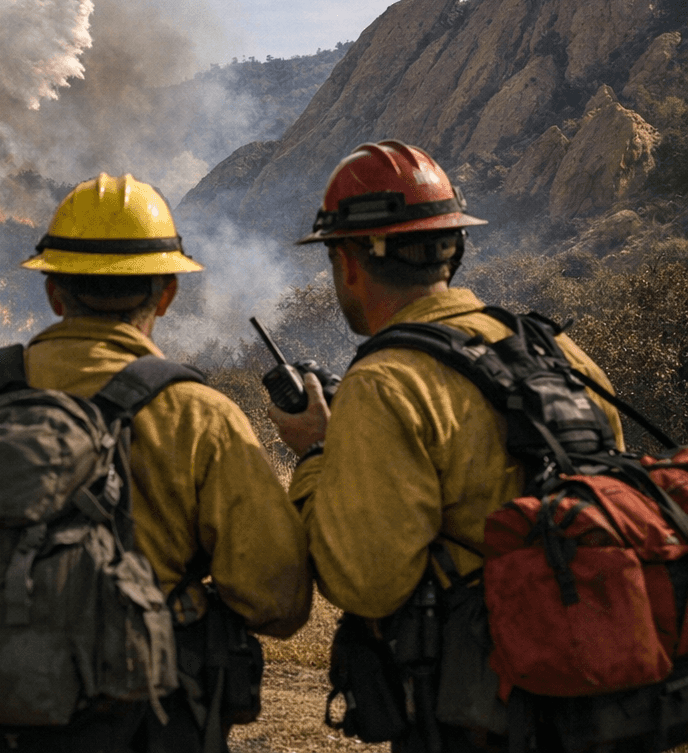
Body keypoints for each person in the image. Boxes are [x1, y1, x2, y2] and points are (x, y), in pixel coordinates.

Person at [0, 172, 311, 752]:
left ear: (53, 293)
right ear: (166, 293)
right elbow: (277, 599)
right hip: (141, 725)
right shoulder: (199, 417)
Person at [268, 140, 625, 753]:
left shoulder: (385, 382)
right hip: (603, 701)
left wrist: (316, 453)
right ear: (454, 248)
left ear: (350, 261)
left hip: (481, 719)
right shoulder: (556, 352)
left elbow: (364, 585)